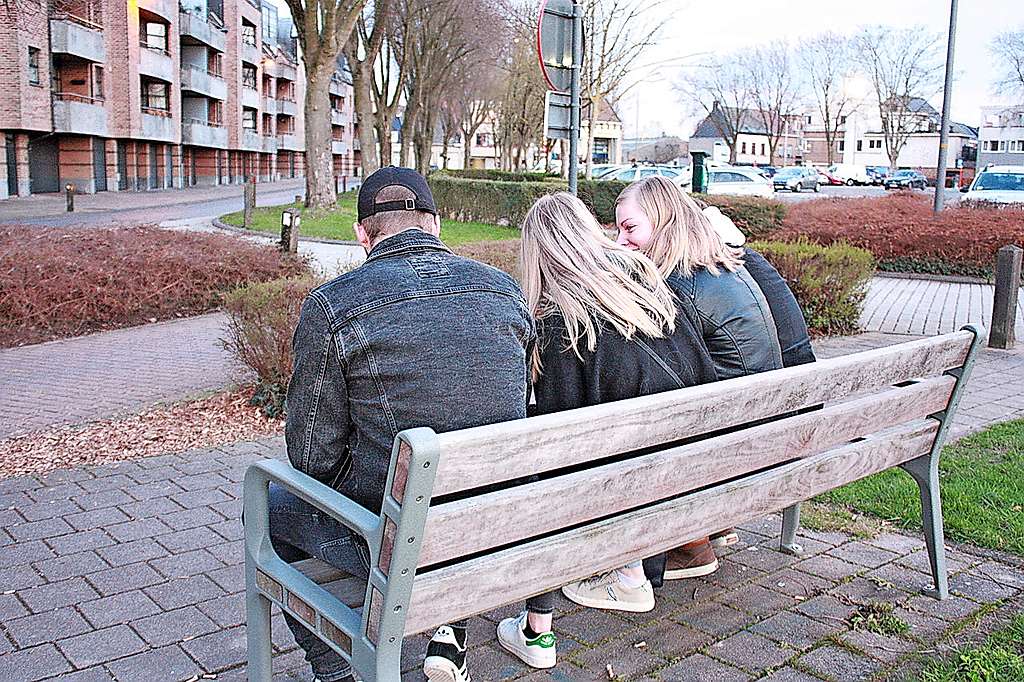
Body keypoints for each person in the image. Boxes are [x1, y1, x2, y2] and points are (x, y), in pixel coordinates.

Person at [268, 167, 534, 682]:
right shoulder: (504, 291)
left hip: (400, 536)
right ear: (435, 224)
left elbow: (310, 457)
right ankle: (446, 630)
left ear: (362, 235)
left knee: (276, 501)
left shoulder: (332, 305)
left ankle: (337, 668)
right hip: (496, 521)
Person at [496, 192, 717, 669]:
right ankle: (632, 566)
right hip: (701, 461)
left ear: (537, 258)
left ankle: (552, 617)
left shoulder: (561, 323)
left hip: (638, 484)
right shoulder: (650, 285)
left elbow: (560, 447)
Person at [614, 176, 783, 581]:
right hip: (764, 425)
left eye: (630, 228)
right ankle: (712, 524)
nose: (620, 241)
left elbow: (658, 377)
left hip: (729, 442)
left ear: (665, 220)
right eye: (617, 228)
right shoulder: (719, 267)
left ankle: (689, 545)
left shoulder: (673, 287)